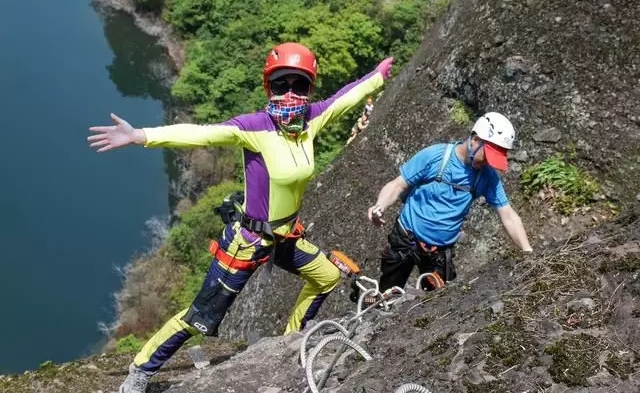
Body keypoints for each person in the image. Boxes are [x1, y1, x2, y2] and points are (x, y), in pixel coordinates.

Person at [87, 42, 394, 393]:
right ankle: (140, 371)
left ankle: (290, 342)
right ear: (269, 87)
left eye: (300, 85)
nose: (291, 93)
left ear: (310, 88)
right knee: (201, 316)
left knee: (326, 276)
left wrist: (377, 76)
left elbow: (346, 97)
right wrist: (140, 136)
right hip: (248, 241)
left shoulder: (312, 120)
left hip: (286, 236)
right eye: (282, 84)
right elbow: (199, 133)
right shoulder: (254, 127)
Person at [362, 112, 532, 296]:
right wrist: (380, 206)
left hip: (440, 252)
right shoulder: (435, 156)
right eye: (488, 156)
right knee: (387, 296)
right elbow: (398, 184)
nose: (488, 163)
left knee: (438, 302)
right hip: (406, 238)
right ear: (475, 140)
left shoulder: (487, 176)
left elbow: (507, 215)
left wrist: (528, 251)